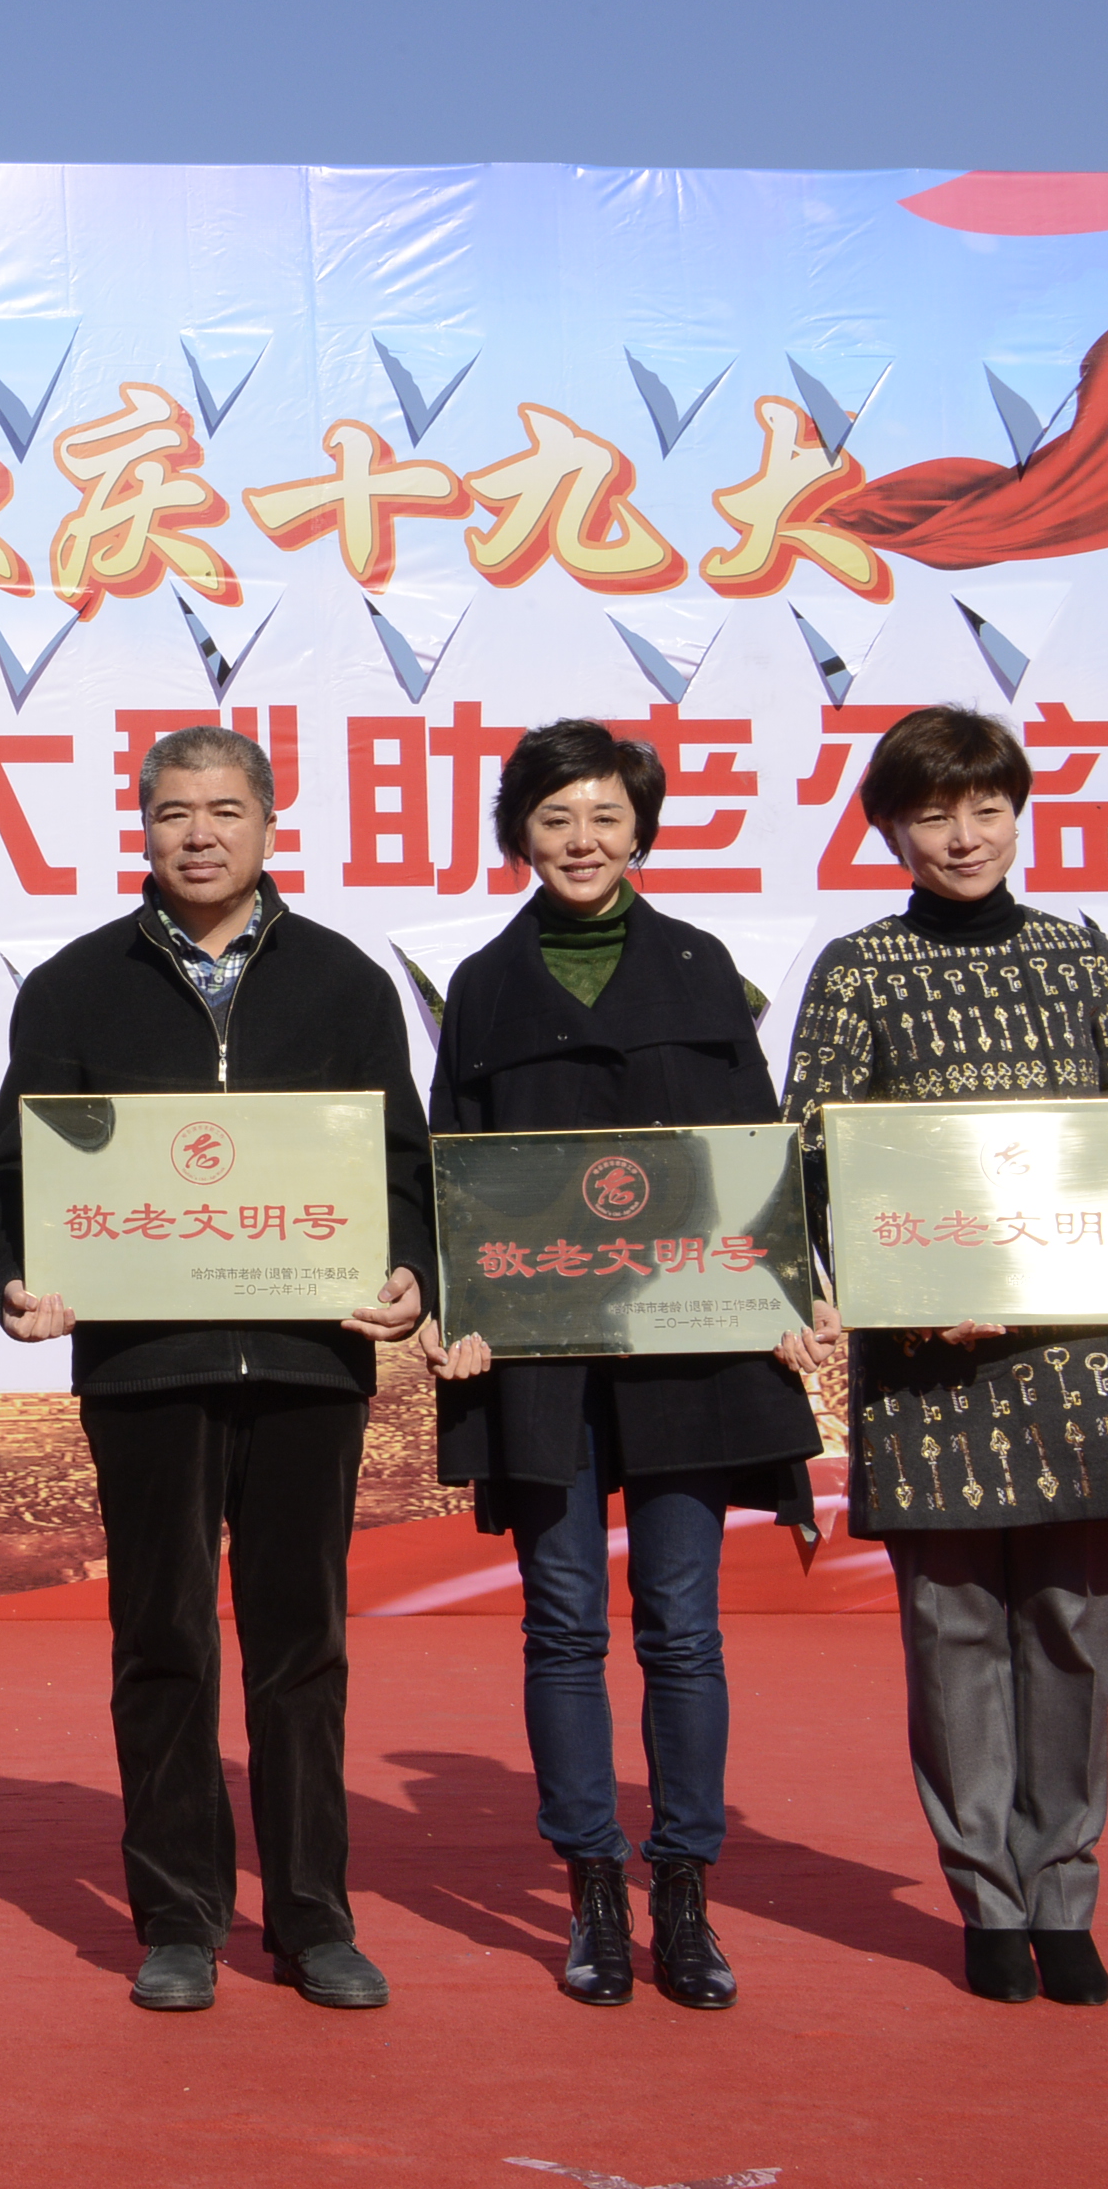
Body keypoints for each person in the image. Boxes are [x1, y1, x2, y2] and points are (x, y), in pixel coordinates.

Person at [0, 724, 433, 2015]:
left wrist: (411, 1270)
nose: (201, 835)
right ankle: (178, 1918)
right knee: (160, 1639)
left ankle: (314, 1918)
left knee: (301, 1646)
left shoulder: (344, 982)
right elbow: (14, 1176)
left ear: (270, 825)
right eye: (175, 813)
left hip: (307, 1359)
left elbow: (400, 1162)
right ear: (145, 827)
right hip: (147, 1364)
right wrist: (18, 1277)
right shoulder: (74, 986)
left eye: (226, 811)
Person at [778, 704, 1108, 2008]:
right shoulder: (858, 969)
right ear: (889, 830)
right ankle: (985, 1896)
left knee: (1073, 1627)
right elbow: (811, 1155)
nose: (963, 835)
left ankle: (1064, 1892)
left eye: (985, 807)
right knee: (952, 1630)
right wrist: (903, 1298)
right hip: (932, 1360)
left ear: (1018, 813)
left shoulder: (1080, 955)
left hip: (1079, 1350)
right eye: (932, 813)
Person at [413, 718, 836, 2011]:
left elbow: (756, 1152)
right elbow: (449, 1169)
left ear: (640, 828)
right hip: (540, 1354)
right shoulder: (484, 984)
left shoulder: (702, 967)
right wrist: (449, 1304)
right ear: (520, 836)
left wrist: (787, 1290)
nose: (581, 840)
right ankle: (592, 1884)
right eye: (555, 818)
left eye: (604, 816)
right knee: (561, 1623)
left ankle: (685, 1891)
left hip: (687, 1349)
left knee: (682, 1625)